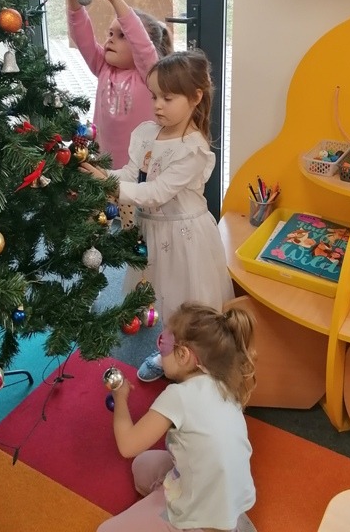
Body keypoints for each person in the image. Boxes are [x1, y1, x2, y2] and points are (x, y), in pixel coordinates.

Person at [80, 49, 235, 381]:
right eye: (153, 96)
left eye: (168, 97)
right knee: (162, 299)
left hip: (184, 237)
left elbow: (156, 192)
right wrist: (102, 174)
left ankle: (197, 366)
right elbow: (133, 175)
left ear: (195, 97)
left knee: (188, 305)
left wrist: (107, 184)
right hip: (152, 232)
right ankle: (168, 355)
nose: (158, 105)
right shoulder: (146, 133)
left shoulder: (193, 148)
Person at [98, 301, 257, 532]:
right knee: (142, 466)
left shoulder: (178, 396)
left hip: (198, 517)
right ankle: (228, 521)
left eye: (162, 344)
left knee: (106, 531)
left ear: (183, 355)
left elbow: (127, 445)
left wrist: (120, 397)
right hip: (228, 498)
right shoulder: (225, 385)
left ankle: (194, 524)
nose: (159, 351)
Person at [66, 0, 172, 168]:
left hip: (140, 173)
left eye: (122, 36)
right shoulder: (103, 66)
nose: (111, 39)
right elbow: (82, 37)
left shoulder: (150, 75)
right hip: (103, 168)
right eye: (110, 33)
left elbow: (140, 40)